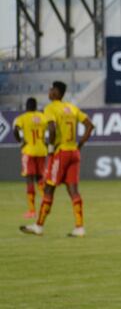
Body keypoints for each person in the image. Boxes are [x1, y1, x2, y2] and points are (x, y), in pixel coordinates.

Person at [20, 81, 92, 237]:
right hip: (74, 152)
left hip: (61, 153)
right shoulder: (72, 108)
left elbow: (52, 129)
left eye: (52, 89)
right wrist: (80, 145)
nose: (49, 91)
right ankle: (79, 227)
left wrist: (51, 149)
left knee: (48, 189)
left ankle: (38, 226)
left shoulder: (50, 108)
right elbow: (90, 126)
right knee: (73, 190)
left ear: (57, 93)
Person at [13, 97, 49, 220]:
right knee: (40, 178)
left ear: (26, 106)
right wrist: (46, 142)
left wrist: (20, 141)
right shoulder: (43, 117)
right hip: (41, 150)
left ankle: (32, 211)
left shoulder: (22, 118)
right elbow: (52, 128)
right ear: (36, 106)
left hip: (29, 151)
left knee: (29, 179)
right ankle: (46, 204)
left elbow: (15, 129)